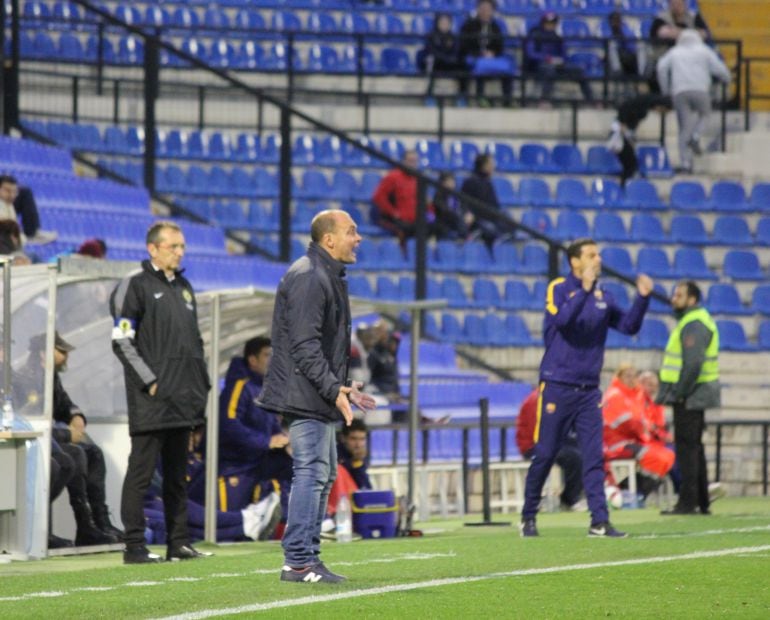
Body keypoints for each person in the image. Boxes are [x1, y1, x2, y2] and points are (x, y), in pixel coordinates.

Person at [258, 209, 376, 584]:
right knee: (311, 472)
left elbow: (318, 348)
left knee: (322, 474)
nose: (358, 238)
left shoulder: (325, 274)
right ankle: (297, 561)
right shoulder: (310, 276)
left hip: (316, 393)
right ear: (329, 239)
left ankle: (308, 557)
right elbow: (305, 346)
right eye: (351, 231)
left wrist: (342, 387)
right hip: (303, 394)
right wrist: (332, 388)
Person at [520, 238, 653, 538]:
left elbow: (629, 326)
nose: (598, 258)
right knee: (546, 453)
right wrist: (584, 289)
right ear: (575, 262)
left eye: (599, 254)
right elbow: (563, 321)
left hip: (589, 390)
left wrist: (642, 299)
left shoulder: (603, 295)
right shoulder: (558, 288)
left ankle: (599, 520)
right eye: (591, 254)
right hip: (557, 384)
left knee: (594, 455)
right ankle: (528, 515)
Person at [110, 220, 212, 564]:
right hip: (152, 400)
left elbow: (194, 342)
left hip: (183, 399)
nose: (180, 253)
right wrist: (149, 381)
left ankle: (178, 543)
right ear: (153, 248)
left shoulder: (184, 287)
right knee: (140, 476)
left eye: (182, 247)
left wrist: (202, 384)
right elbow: (121, 341)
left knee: (176, 477)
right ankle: (134, 547)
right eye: (174, 246)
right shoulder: (133, 286)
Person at [17, 331, 122, 547]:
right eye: (61, 351)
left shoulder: (50, 377)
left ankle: (98, 522)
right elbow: (31, 423)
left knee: (92, 452)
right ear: (43, 353)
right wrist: (67, 434)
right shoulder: (27, 379)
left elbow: (65, 404)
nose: (66, 357)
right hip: (37, 442)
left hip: (52, 440)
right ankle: (74, 525)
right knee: (74, 455)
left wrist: (76, 416)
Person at [188, 335, 292, 540]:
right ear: (252, 360)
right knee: (226, 530)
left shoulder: (266, 388)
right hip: (231, 466)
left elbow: (271, 425)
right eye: (267, 355)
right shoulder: (239, 386)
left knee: (291, 465)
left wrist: (281, 439)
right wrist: (266, 442)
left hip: (255, 462)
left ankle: (300, 521)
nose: (272, 360)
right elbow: (229, 424)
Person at [656, 280, 721, 515]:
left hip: (691, 394)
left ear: (691, 299)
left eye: (679, 295)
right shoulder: (695, 320)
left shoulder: (693, 323)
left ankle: (687, 502)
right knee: (694, 447)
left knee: (686, 449)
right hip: (696, 393)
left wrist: (680, 393)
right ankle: (702, 501)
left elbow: (693, 364)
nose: (674, 298)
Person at [656, 29, 730, 173]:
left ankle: (685, 163)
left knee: (684, 129)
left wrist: (665, 90)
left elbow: (661, 68)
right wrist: (727, 79)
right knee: (705, 115)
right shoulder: (704, 50)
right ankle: (696, 135)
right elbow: (720, 70)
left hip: (679, 92)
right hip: (700, 90)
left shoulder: (675, 52)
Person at [602, 364, 676, 499]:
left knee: (667, 456)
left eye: (634, 376)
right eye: (627, 376)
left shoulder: (634, 396)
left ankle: (638, 491)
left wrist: (652, 432)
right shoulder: (615, 395)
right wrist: (649, 433)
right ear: (619, 377)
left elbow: (643, 421)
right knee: (655, 456)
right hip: (616, 444)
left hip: (633, 440)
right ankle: (636, 492)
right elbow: (629, 423)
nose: (631, 379)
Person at [515, 387, 585, 511]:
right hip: (532, 445)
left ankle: (577, 494)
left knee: (584, 451)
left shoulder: (551, 398)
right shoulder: (536, 401)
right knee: (572, 457)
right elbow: (537, 432)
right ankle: (569, 498)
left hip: (549, 442)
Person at [524, 12, 594, 105]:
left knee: (579, 71)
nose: (550, 26)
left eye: (553, 23)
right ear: (543, 23)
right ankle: (545, 100)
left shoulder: (557, 37)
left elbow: (564, 54)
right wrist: (546, 58)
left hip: (557, 65)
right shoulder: (534, 35)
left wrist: (560, 60)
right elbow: (531, 53)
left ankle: (591, 100)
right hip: (538, 65)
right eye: (548, 23)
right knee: (549, 70)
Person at [607, 93, 671, 186]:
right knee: (631, 165)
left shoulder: (645, 105)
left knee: (630, 165)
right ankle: (624, 188)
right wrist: (623, 125)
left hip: (627, 133)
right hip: (621, 133)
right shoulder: (642, 104)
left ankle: (624, 186)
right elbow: (624, 108)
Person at [648, 0, 711, 93]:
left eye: (680, 3)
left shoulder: (694, 17)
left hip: (692, 59)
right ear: (669, 5)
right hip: (666, 57)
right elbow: (664, 33)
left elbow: (704, 34)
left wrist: (676, 32)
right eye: (674, 4)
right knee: (660, 70)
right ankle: (664, 98)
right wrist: (692, 33)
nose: (677, 6)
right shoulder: (661, 19)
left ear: (685, 4)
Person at [458, 0, 513, 106]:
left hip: (492, 57)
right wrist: (480, 53)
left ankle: (507, 100)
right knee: (479, 65)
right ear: (478, 9)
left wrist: (492, 53)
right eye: (482, 8)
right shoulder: (469, 25)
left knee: (507, 67)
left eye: (488, 9)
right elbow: (464, 45)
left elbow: (499, 46)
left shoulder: (495, 27)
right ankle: (480, 97)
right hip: (473, 56)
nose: (485, 11)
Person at [371, 150, 434, 242]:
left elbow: (426, 201)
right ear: (403, 162)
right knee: (406, 229)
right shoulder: (393, 177)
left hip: (415, 219)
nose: (413, 164)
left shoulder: (418, 178)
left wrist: (430, 212)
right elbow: (378, 197)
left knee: (436, 227)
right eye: (410, 161)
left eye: (415, 161)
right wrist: (393, 213)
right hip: (397, 220)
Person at [0, 175, 57, 244]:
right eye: (7, 191)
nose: (11, 195)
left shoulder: (9, 203)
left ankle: (32, 232)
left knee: (25, 193)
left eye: (14, 192)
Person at [460, 153, 501, 248]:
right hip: (478, 219)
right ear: (484, 166)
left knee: (508, 220)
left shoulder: (488, 183)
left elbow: (494, 205)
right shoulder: (470, 182)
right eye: (491, 164)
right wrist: (470, 214)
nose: (493, 167)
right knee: (491, 229)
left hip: (491, 217)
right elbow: (465, 204)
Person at [423, 12, 464, 102]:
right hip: (437, 63)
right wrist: (445, 58)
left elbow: (456, 51)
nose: (444, 25)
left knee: (463, 67)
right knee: (432, 64)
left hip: (450, 64)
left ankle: (461, 96)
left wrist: (451, 59)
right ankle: (429, 95)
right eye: (442, 22)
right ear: (437, 23)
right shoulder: (431, 36)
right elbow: (430, 51)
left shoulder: (453, 37)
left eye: (447, 23)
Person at [432, 172, 472, 240]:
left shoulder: (458, 195)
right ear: (442, 183)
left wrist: (468, 214)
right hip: (445, 225)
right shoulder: (438, 196)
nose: (451, 184)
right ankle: (466, 236)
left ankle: (466, 236)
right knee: (457, 218)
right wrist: (460, 216)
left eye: (452, 181)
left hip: (460, 223)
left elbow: (465, 207)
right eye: (448, 181)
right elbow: (444, 211)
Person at [606, 11, 642, 79]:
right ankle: (617, 71)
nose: (614, 23)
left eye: (616, 21)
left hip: (631, 58)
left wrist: (621, 35)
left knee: (641, 45)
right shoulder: (610, 32)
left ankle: (641, 75)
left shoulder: (626, 30)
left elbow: (632, 48)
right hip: (619, 61)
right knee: (612, 45)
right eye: (612, 21)